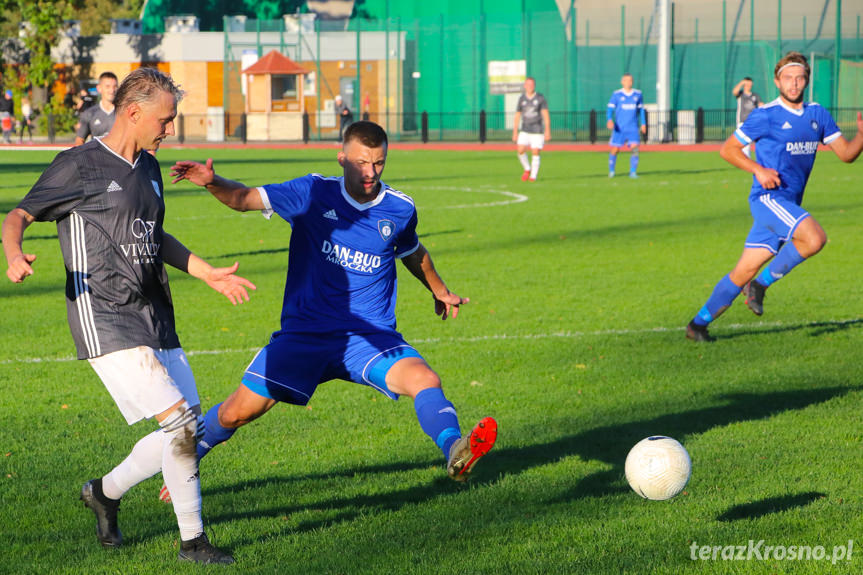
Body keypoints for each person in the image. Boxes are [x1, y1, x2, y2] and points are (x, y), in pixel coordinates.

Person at [165, 121, 497, 501]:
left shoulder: (399, 209)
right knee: (234, 414)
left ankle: (456, 450)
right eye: (361, 163)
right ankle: (188, 458)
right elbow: (242, 198)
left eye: (378, 163)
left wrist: (440, 290)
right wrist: (211, 181)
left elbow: (412, 252)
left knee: (424, 378)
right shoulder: (311, 193)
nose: (370, 172)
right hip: (306, 335)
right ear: (341, 158)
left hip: (368, 336)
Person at [1, 67, 253, 563]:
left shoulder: (150, 167)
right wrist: (14, 253)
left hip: (153, 313)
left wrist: (206, 273)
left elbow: (155, 238)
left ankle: (105, 492)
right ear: (133, 113)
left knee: (187, 428)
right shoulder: (79, 165)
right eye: (166, 119)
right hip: (106, 315)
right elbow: (18, 215)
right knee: (179, 423)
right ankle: (192, 542)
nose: (170, 128)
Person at [686, 52, 863, 342]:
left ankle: (697, 325)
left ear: (806, 80)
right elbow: (727, 149)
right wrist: (758, 169)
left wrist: (861, 137)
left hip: (788, 204)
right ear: (777, 81)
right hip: (768, 199)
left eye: (800, 78)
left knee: (742, 271)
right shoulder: (765, 115)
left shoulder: (817, 114)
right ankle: (761, 286)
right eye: (788, 78)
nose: (794, 84)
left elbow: (845, 154)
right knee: (814, 238)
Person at [606, 73, 646, 178]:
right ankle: (611, 171)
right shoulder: (617, 95)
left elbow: (641, 110)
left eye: (630, 80)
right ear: (622, 82)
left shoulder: (638, 94)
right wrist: (609, 120)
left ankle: (633, 172)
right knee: (615, 149)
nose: (628, 82)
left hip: (632, 127)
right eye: (626, 80)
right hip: (620, 128)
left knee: (635, 149)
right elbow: (610, 109)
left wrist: (643, 124)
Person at [512, 77, 551, 182]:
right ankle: (527, 169)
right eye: (528, 84)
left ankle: (533, 176)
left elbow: (545, 114)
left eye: (532, 84)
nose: (530, 86)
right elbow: (517, 115)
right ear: (525, 86)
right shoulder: (522, 99)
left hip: (537, 130)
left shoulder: (540, 98)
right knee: (520, 150)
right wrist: (515, 131)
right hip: (525, 129)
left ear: (534, 85)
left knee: (535, 151)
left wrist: (547, 130)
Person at [75, 72, 118, 146]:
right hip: (96, 157)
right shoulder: (90, 113)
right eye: (107, 86)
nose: (112, 90)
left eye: (115, 86)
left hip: (117, 157)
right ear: (99, 88)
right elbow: (80, 140)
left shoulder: (124, 112)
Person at [732, 76, 763, 158]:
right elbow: (734, 91)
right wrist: (742, 83)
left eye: (750, 84)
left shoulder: (755, 95)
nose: (749, 85)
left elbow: (761, 105)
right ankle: (746, 161)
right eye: (748, 84)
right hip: (742, 122)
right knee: (745, 144)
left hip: (753, 122)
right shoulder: (741, 94)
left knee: (760, 140)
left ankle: (761, 159)